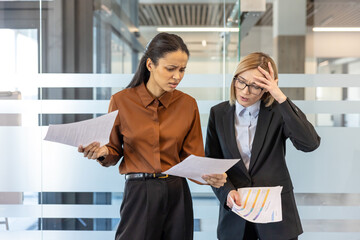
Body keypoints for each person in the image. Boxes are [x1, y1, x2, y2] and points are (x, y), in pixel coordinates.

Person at [78, 32, 227, 240]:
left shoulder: (187, 104)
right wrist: (103, 151)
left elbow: (192, 159)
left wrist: (210, 176)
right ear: (150, 65)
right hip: (139, 192)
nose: (177, 76)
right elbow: (113, 150)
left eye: (182, 69)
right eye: (170, 69)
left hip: (177, 193)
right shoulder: (121, 101)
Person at [205, 52, 320, 240]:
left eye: (255, 86)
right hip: (237, 213)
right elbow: (213, 161)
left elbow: (310, 143)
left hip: (276, 218)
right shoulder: (219, 113)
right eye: (241, 81)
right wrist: (226, 192)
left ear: (267, 87)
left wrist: (281, 98)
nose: (245, 91)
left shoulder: (277, 112)